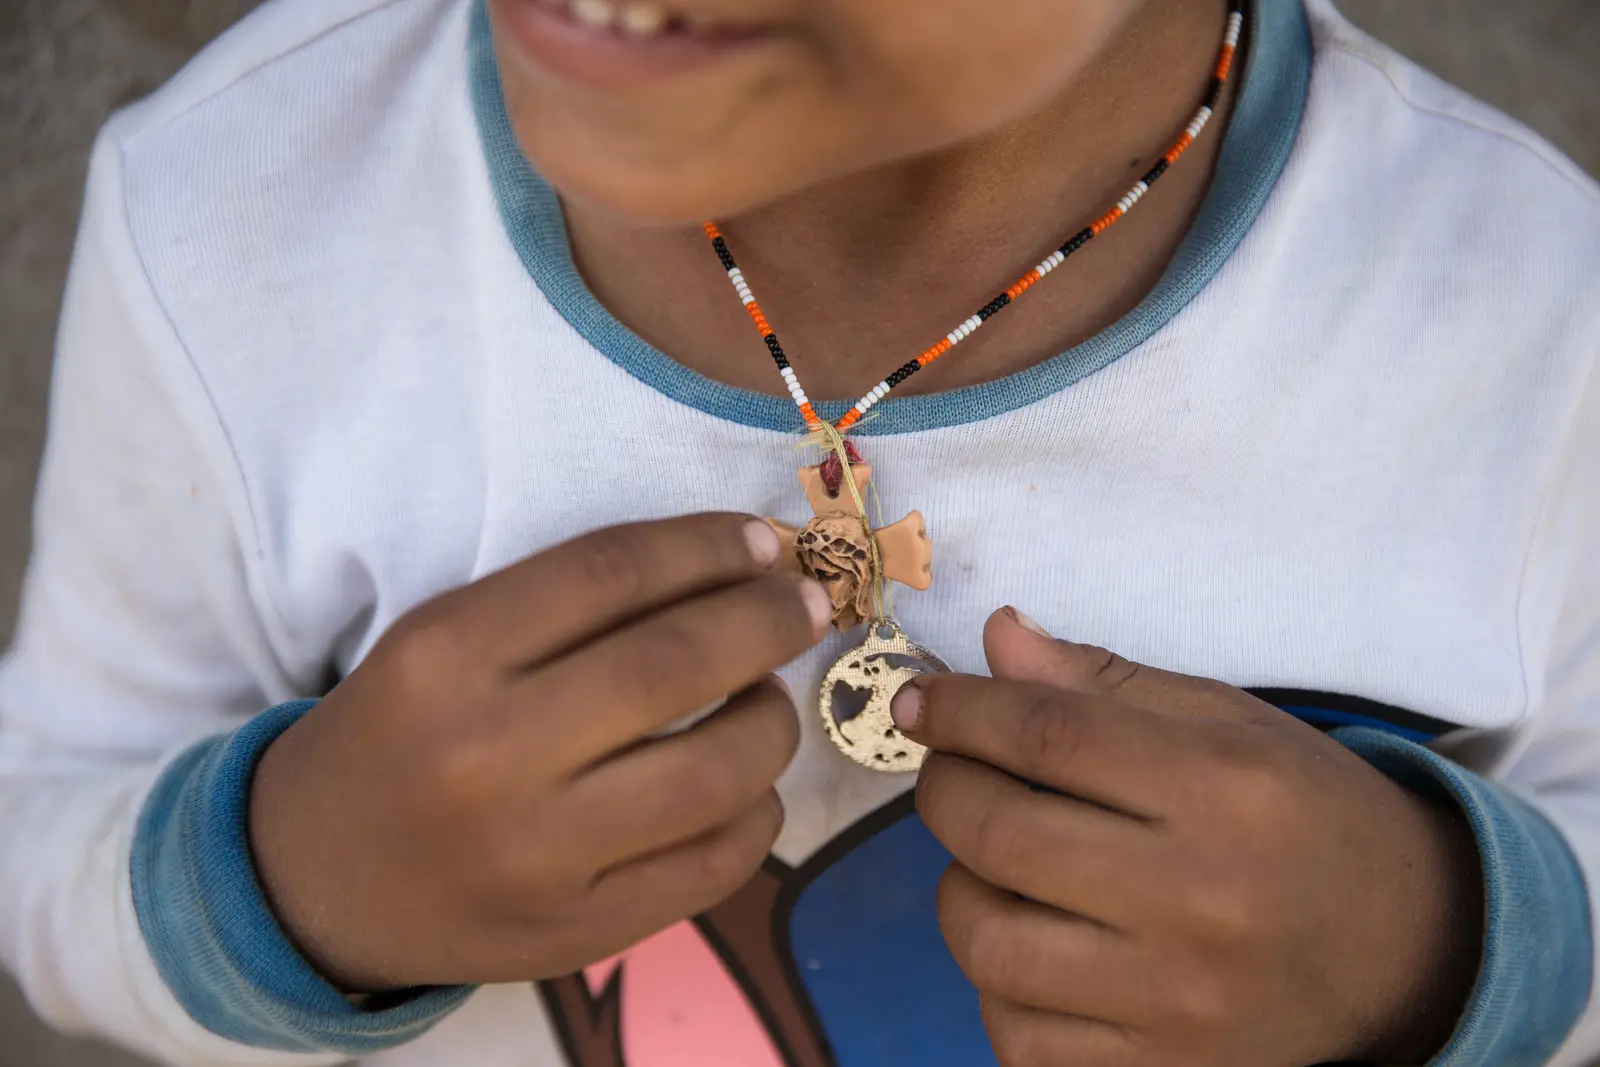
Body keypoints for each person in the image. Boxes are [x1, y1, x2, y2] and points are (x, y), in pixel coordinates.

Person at [1, 0, 1597, 1063]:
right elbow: (45, 819)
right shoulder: (232, 213)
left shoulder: (1539, 327)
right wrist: (290, 874)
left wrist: (1437, 938)